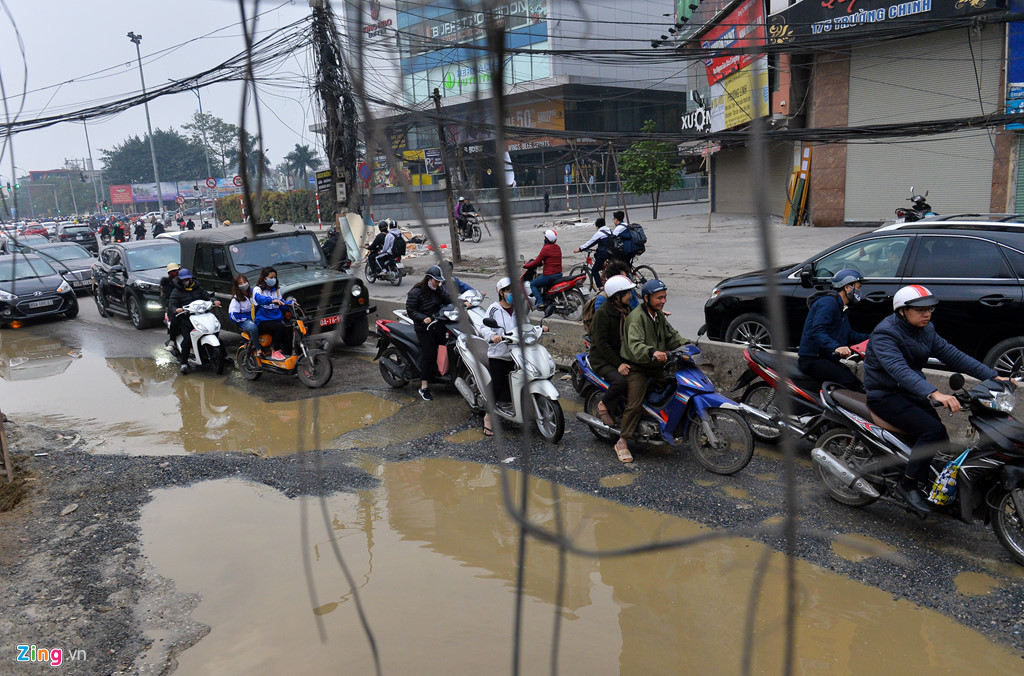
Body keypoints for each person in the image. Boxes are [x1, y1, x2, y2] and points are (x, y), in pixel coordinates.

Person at [864, 284, 999, 515]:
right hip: (885, 395)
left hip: (911, 392)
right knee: (932, 431)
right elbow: (899, 370)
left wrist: (995, 377)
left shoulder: (926, 329)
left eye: (929, 309)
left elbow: (953, 355)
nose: (926, 314)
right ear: (902, 311)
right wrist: (935, 393)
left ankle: (921, 475)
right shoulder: (885, 334)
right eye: (920, 310)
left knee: (940, 437)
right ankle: (908, 485)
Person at [617, 280, 686, 462]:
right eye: (659, 297)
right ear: (646, 298)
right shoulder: (636, 318)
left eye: (664, 297)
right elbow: (636, 345)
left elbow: (672, 336)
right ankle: (623, 440)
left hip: (655, 365)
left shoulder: (658, 316)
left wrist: (687, 346)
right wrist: (652, 352)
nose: (663, 301)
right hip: (637, 366)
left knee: (674, 387)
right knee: (635, 402)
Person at [588, 275, 638, 455]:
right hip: (603, 359)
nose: (631, 296)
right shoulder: (603, 313)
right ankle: (604, 405)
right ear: (617, 296)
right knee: (620, 382)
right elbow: (601, 344)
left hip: (621, 354)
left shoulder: (625, 309)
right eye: (628, 293)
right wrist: (618, 364)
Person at [796, 269, 869, 392]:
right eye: (858, 287)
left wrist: (873, 338)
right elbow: (818, 331)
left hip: (825, 358)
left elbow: (848, 335)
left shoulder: (841, 308)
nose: (859, 292)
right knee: (848, 381)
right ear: (847, 287)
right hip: (812, 359)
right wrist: (836, 347)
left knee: (855, 381)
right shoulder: (828, 303)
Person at [480, 277, 519, 436]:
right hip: (499, 353)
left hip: (516, 353)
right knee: (497, 383)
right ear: (502, 292)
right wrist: (492, 336)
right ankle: (488, 417)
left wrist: (539, 328)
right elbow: (483, 328)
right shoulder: (494, 309)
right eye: (509, 291)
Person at [405, 265, 450, 401]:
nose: (438, 283)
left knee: (447, 345)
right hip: (423, 328)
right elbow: (410, 310)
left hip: (436, 324)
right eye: (436, 281)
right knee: (429, 354)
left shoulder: (438, 290)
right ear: (429, 279)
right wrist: (422, 318)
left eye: (439, 281)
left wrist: (463, 302)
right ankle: (424, 386)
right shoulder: (416, 292)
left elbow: (448, 299)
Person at [168, 269, 221, 374]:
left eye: (188, 279)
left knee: (214, 331)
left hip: (201, 315)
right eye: (184, 280)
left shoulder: (198, 287)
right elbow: (172, 304)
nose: (186, 282)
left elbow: (207, 296)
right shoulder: (177, 291)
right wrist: (176, 309)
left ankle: (222, 356)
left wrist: (214, 300)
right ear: (180, 280)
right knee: (187, 339)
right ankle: (183, 363)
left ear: (191, 278)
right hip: (185, 319)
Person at [252, 267, 294, 362]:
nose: (273, 280)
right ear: (264, 278)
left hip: (275, 320)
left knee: (288, 337)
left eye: (274, 277)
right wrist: (272, 300)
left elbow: (282, 303)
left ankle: (290, 360)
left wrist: (291, 303)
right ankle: (274, 351)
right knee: (280, 327)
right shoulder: (258, 289)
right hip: (263, 321)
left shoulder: (277, 290)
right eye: (271, 277)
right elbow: (259, 299)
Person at [523, 229, 562, 310]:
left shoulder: (546, 249)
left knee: (533, 284)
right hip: (559, 274)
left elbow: (537, 262)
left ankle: (540, 302)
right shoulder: (557, 247)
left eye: (545, 237)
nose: (544, 239)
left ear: (547, 239)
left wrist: (527, 266)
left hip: (549, 276)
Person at [574, 217, 615, 289]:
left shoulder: (599, 233)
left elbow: (590, 243)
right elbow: (606, 243)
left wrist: (580, 249)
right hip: (611, 253)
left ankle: (600, 287)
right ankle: (604, 270)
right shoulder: (609, 230)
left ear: (597, 226)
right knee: (596, 255)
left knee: (594, 270)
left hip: (604, 254)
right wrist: (597, 249)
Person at [228, 274, 258, 350]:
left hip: (256, 316)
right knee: (253, 327)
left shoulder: (253, 293)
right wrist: (247, 318)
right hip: (245, 321)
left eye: (244, 282)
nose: (243, 284)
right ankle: (258, 348)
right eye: (240, 283)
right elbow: (233, 316)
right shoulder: (236, 299)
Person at [161, 262, 181, 348]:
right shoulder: (167, 285)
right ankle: (172, 340)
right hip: (175, 308)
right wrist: (174, 307)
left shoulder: (186, 281)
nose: (175, 274)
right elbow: (166, 300)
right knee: (175, 321)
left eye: (176, 272)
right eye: (172, 272)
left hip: (189, 306)